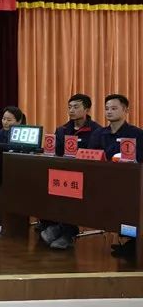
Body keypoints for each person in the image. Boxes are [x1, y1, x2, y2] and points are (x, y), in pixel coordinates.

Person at [39, 94, 101, 250]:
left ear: (87, 109)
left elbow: (96, 154)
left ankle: (66, 232)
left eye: (76, 107)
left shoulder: (97, 130)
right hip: (62, 175)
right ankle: (59, 228)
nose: (71, 110)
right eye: (69, 107)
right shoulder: (62, 130)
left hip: (86, 177)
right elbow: (55, 152)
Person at [88, 94, 143, 257]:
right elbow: (91, 156)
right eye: (106, 109)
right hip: (102, 182)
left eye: (114, 108)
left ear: (125, 110)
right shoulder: (98, 133)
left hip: (129, 185)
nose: (109, 112)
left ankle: (133, 243)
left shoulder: (137, 134)